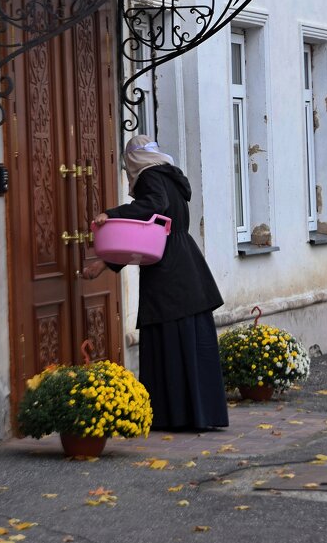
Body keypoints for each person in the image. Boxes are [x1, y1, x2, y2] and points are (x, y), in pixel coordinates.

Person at [82, 134, 230, 432]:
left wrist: (110, 215)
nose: (127, 175)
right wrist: (105, 264)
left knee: (169, 337)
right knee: (188, 338)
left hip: (169, 271)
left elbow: (152, 207)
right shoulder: (171, 177)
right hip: (184, 263)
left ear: (133, 162)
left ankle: (172, 415)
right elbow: (145, 236)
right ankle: (199, 414)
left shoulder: (150, 177)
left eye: (126, 168)